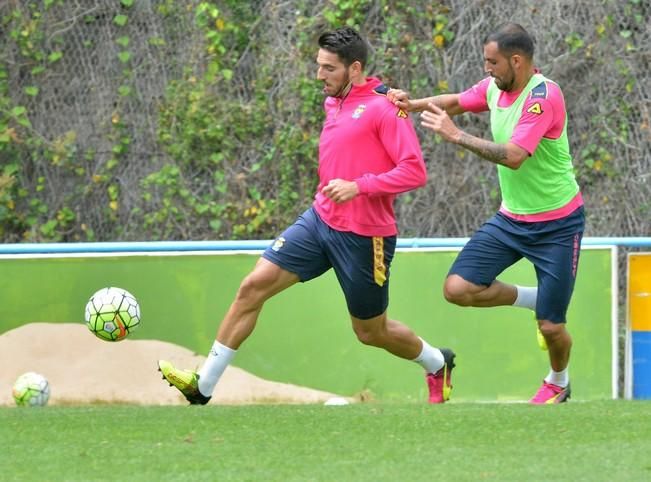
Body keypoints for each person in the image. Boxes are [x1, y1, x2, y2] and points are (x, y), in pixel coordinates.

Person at [158, 27, 456, 405]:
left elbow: (414, 171)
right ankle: (203, 387)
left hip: (366, 236)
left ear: (355, 68)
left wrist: (358, 186)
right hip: (319, 220)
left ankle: (436, 362)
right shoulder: (334, 101)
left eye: (329, 68)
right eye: (319, 66)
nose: (319, 75)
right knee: (253, 287)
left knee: (370, 331)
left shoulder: (386, 108)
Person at [388, 23, 584, 404]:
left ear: (517, 60)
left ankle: (558, 380)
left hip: (559, 225)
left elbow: (513, 156)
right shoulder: (495, 86)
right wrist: (411, 105)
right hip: (512, 220)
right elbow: (458, 101)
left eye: (492, 62)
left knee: (553, 326)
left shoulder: (542, 97)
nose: (487, 69)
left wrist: (456, 136)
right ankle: (533, 297)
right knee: (458, 288)